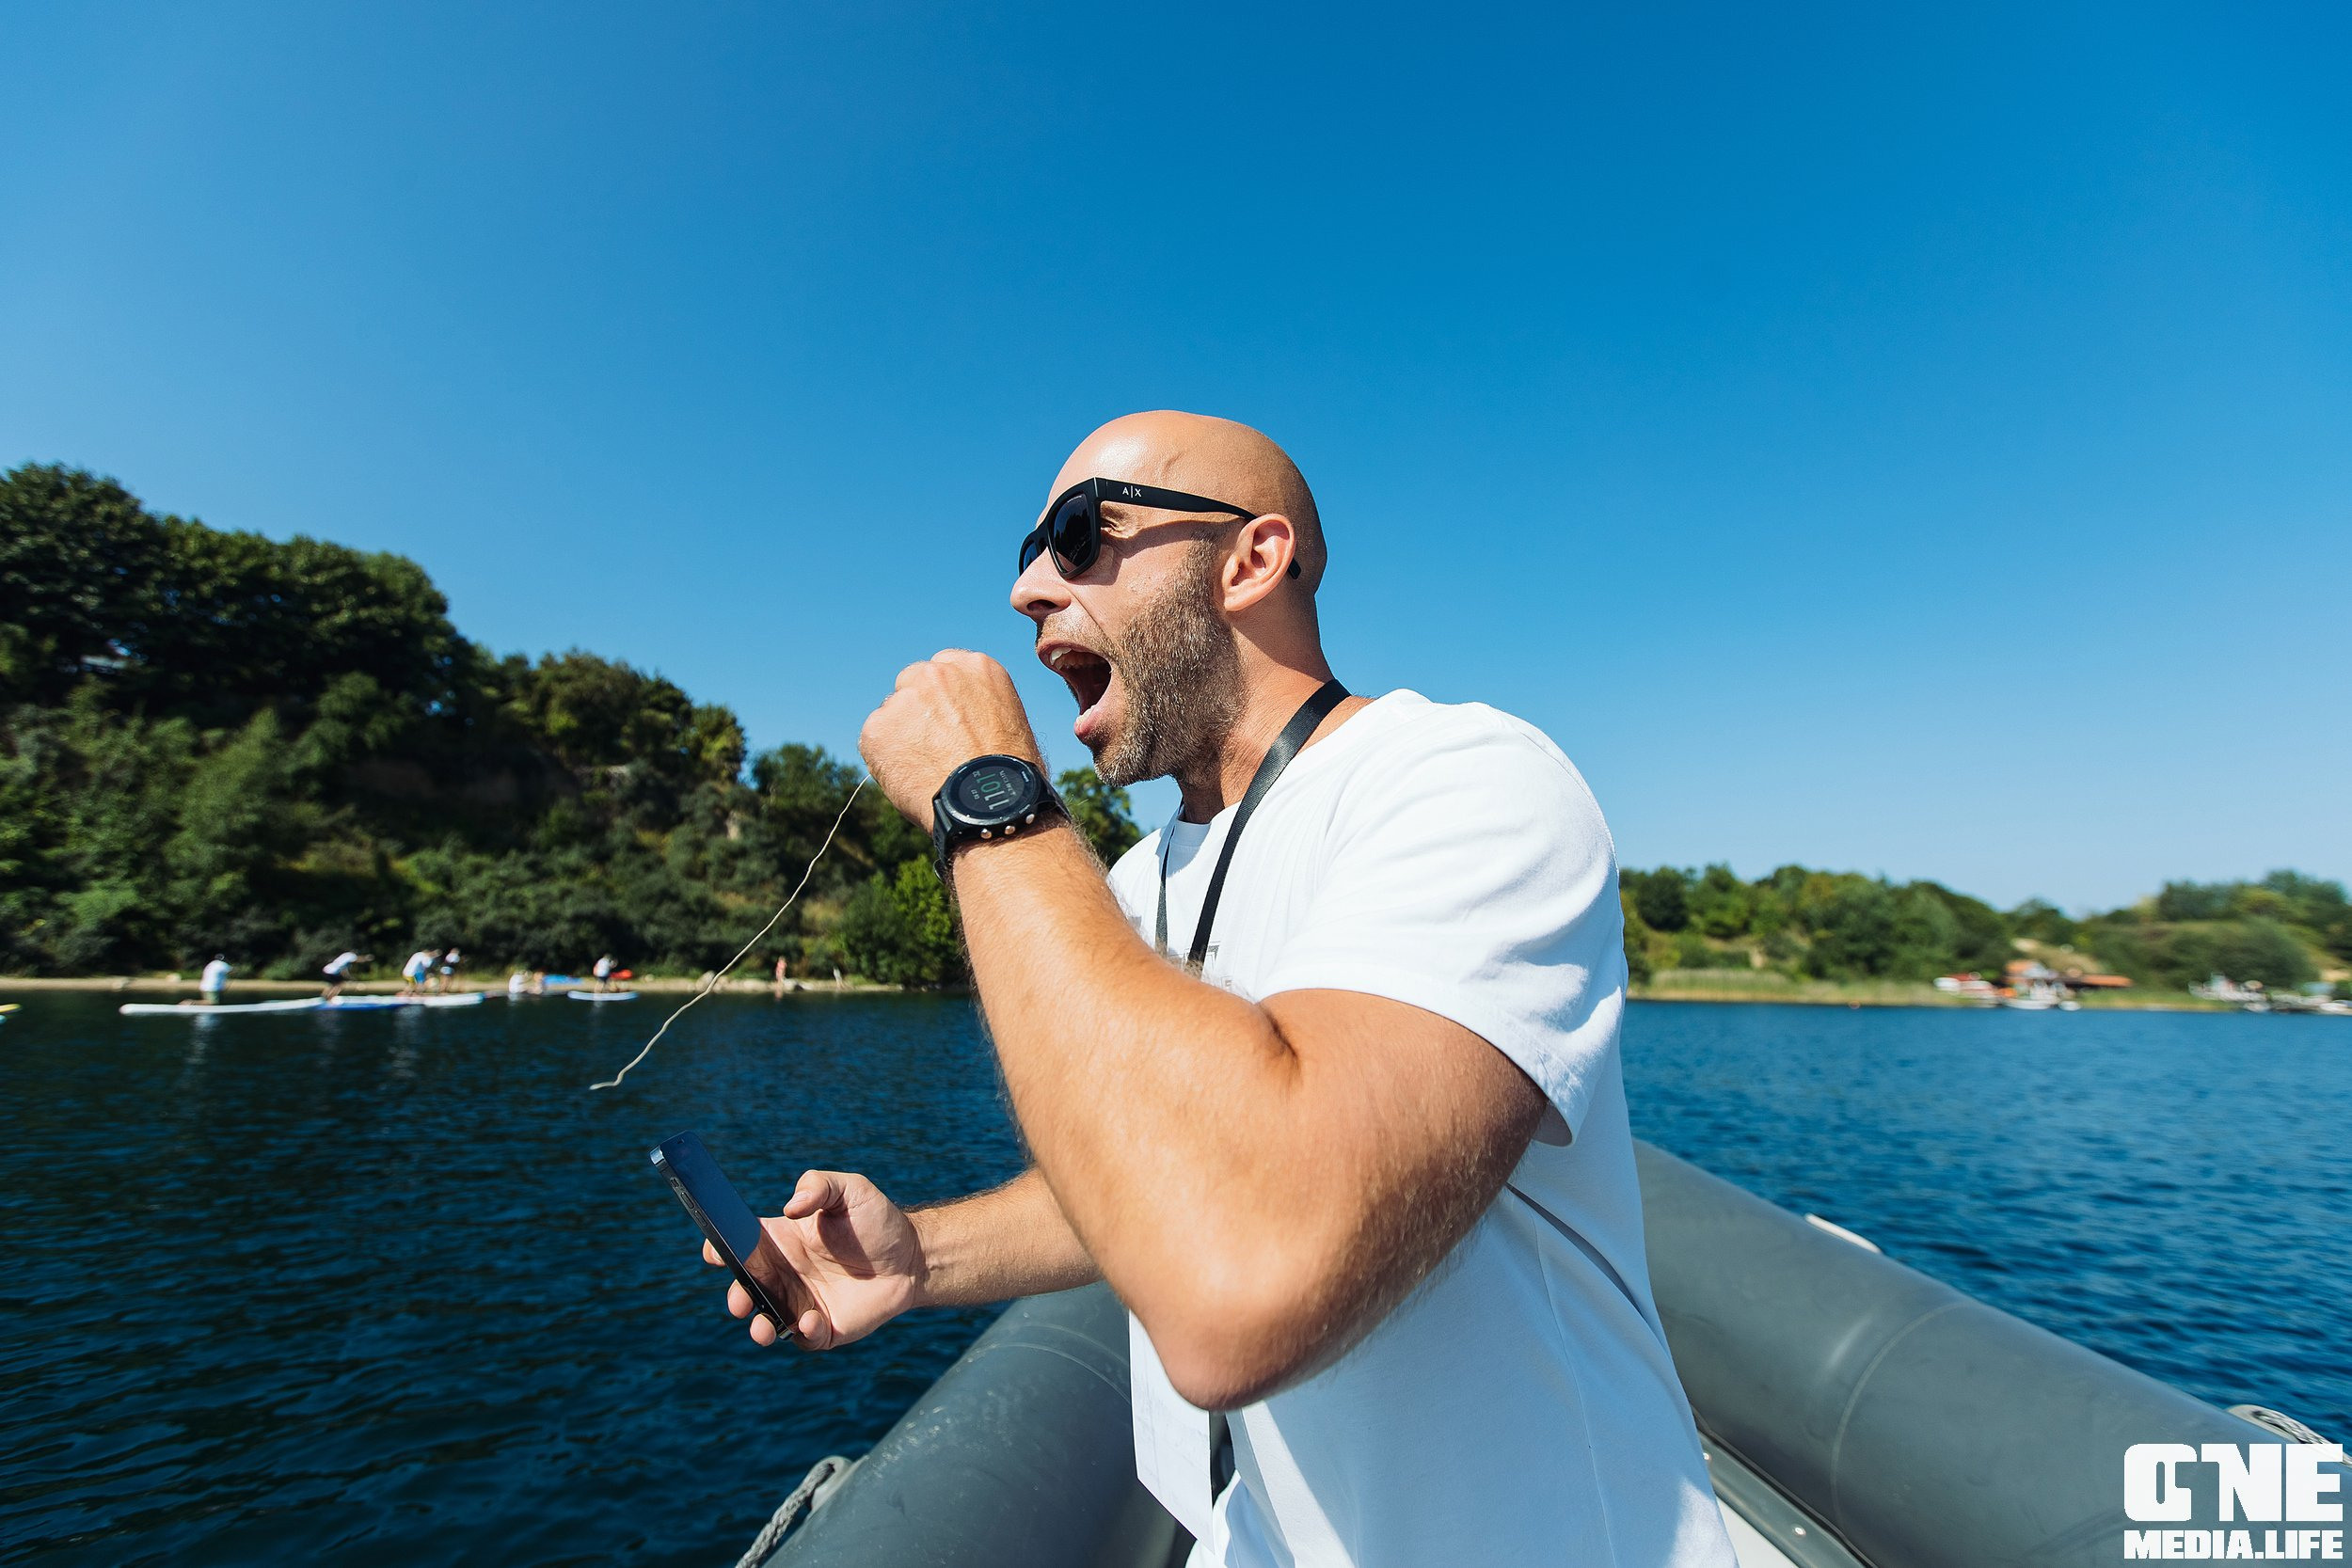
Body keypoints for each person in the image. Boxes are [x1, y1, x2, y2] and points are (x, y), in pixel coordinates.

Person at [701, 413, 1736, 1567]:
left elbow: (1243, 1266)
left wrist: (984, 797)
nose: (1028, 588)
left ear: (1249, 560)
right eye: (1029, 550)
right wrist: (919, 1257)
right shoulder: (1137, 880)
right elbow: (1166, 1178)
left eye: (1078, 532)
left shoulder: (1462, 783)